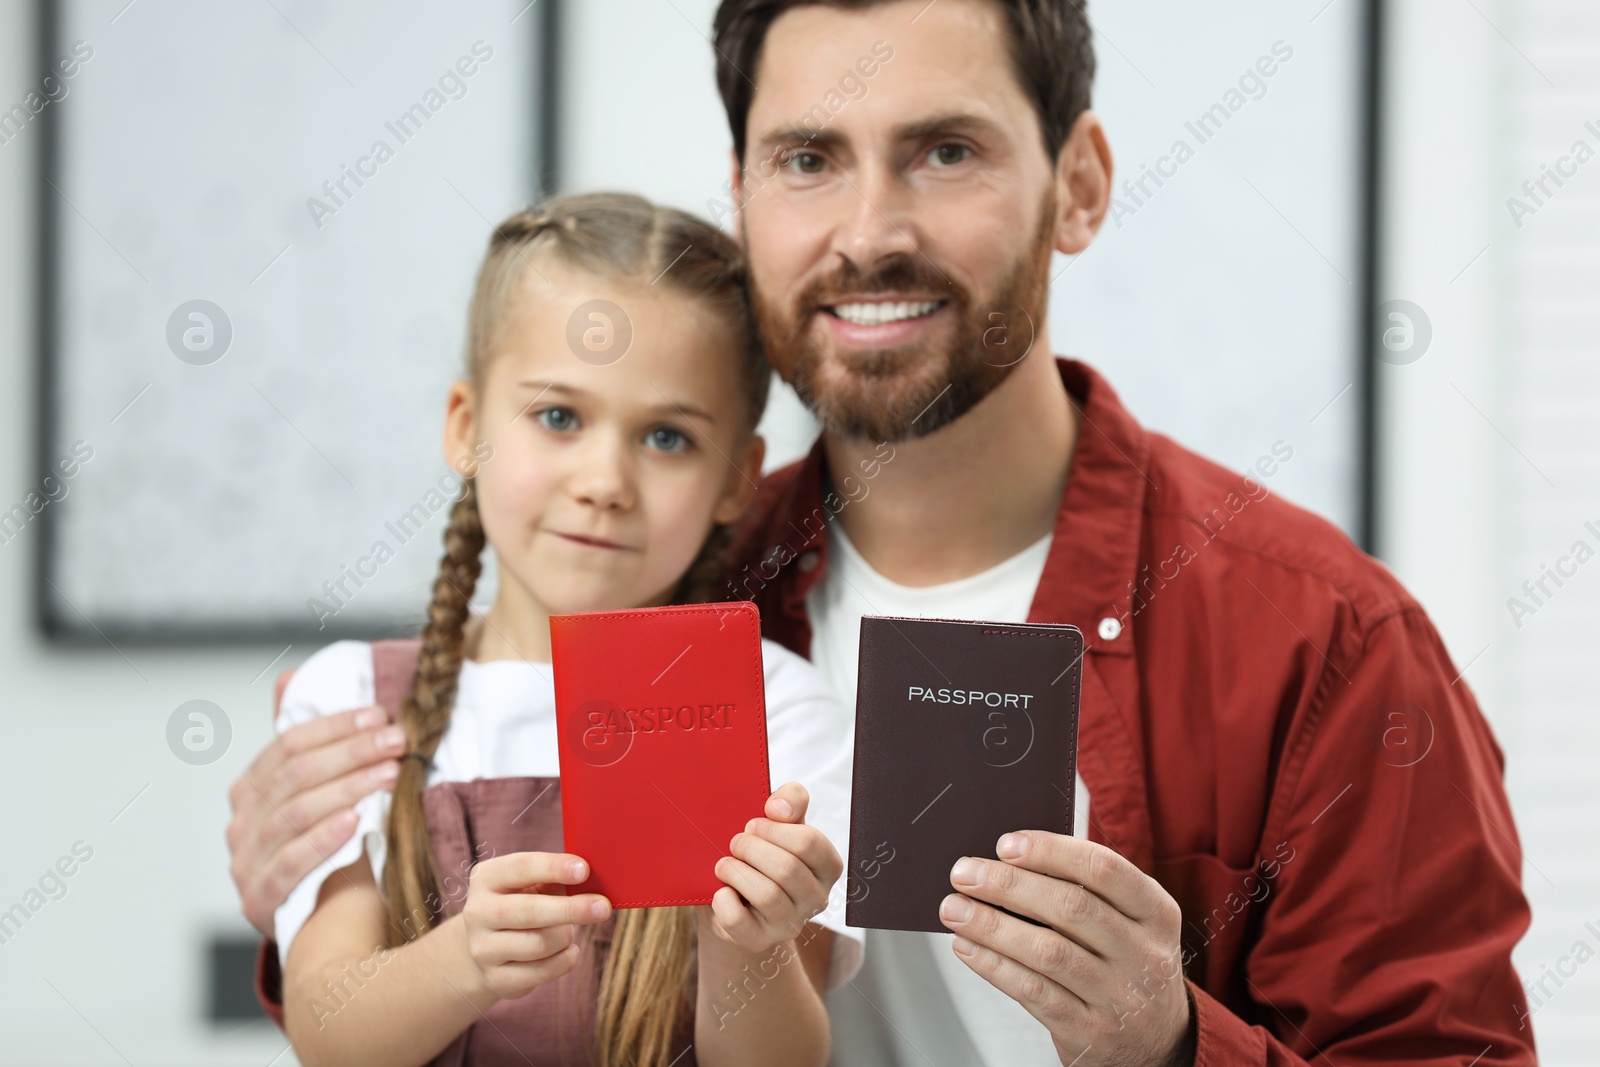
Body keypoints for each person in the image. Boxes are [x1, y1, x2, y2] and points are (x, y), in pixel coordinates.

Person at [230, 2, 1536, 1064]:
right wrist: (319, 887)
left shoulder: (1323, 641)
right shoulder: (669, 583)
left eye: (946, 150)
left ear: (1077, 187)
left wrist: (1177, 1039)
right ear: (743, 197)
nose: (870, 234)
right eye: (810, 159)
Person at [265, 192, 857, 1067]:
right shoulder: (347, 697)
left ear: (739, 478)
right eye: (558, 418)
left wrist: (745, 936)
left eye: (666, 435)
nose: (604, 478)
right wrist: (461, 960)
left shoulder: (783, 710)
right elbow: (327, 1028)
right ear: (467, 427)